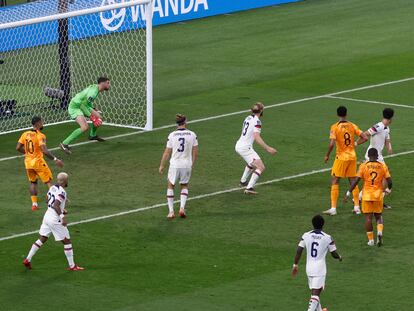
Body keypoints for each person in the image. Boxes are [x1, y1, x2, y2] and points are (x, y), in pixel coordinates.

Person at [23, 172, 84, 271]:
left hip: (47, 216)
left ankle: (28, 259)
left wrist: (62, 209)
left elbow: (48, 201)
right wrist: (62, 216)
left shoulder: (52, 187)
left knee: (43, 238)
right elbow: (56, 205)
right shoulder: (62, 192)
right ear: (65, 181)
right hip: (54, 219)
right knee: (67, 241)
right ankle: (72, 266)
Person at [292, 215, 342, 311]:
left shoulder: (305, 235)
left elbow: (299, 250)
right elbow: (334, 254)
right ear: (323, 224)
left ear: (312, 224)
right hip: (320, 269)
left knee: (314, 293)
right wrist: (339, 257)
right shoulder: (327, 238)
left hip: (309, 268)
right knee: (315, 294)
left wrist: (295, 265)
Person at [345, 148, 392, 246]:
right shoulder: (383, 166)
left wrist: (349, 192)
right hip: (378, 195)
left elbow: (356, 181)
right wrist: (388, 189)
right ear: (377, 156)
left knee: (368, 218)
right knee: (379, 216)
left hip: (366, 195)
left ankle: (371, 240)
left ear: (369, 156)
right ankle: (379, 232)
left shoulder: (363, 166)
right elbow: (389, 181)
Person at [323, 106, 366, 215]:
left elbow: (332, 143)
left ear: (337, 115)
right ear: (346, 114)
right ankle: (357, 207)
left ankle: (333, 208)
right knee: (353, 181)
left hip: (341, 157)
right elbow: (365, 137)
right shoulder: (352, 125)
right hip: (352, 157)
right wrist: (355, 143)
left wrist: (327, 155)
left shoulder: (334, 127)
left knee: (335, 180)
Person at [16, 116, 64, 211]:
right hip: (38, 162)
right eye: (42, 122)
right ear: (38, 123)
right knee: (49, 182)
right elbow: (44, 150)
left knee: (33, 182)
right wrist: (55, 159)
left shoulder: (25, 134)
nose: (43, 123)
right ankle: (53, 202)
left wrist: (29, 153)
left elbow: (18, 147)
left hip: (28, 163)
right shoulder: (40, 136)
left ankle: (34, 204)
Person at [159, 114, 198, 219]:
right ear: (185, 122)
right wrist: (192, 164)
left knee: (170, 185)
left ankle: (171, 212)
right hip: (186, 164)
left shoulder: (172, 135)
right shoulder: (192, 134)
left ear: (177, 123)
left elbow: (167, 152)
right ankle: (181, 208)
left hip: (175, 164)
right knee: (184, 185)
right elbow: (195, 152)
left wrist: (162, 165)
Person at [60, 77, 110, 154]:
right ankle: (64, 144)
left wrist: (93, 109)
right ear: (102, 83)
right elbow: (82, 105)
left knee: (99, 117)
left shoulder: (96, 88)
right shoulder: (93, 92)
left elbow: (86, 102)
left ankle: (92, 135)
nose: (109, 85)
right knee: (85, 127)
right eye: (108, 83)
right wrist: (92, 117)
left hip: (83, 105)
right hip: (75, 107)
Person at [235, 102, 277, 195]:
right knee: (261, 167)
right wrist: (268, 148)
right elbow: (256, 137)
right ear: (261, 111)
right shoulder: (257, 122)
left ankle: (243, 182)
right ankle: (249, 188)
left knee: (251, 162)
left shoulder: (248, 117)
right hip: (245, 148)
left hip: (239, 145)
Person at [357, 108, 394, 209]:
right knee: (384, 176)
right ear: (391, 118)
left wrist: (389, 147)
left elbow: (387, 139)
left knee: (381, 176)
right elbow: (366, 134)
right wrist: (356, 143)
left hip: (378, 155)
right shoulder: (378, 126)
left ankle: (360, 198)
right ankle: (376, 199)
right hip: (372, 155)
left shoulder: (386, 128)